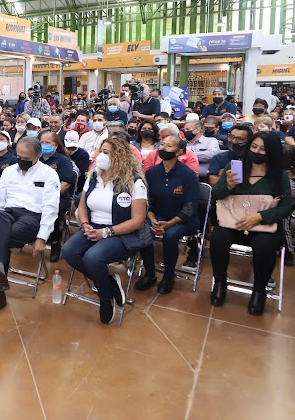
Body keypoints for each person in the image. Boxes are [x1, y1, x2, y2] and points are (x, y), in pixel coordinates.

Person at [61, 137, 151, 324]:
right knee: (68, 251)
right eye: (101, 151)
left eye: (106, 152)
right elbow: (83, 206)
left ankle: (105, 298)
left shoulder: (134, 182)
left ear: (119, 156)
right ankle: (110, 282)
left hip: (123, 233)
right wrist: (84, 223)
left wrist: (106, 232)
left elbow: (138, 220)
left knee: (92, 258)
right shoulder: (93, 177)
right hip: (94, 227)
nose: (100, 156)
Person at [0, 137, 60, 317]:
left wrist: (42, 237)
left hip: (32, 217)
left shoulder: (49, 174)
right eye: (18, 156)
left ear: (37, 156)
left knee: (2, 236)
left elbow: (51, 208)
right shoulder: (9, 172)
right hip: (9, 213)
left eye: (26, 159)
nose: (21, 161)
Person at [210, 132, 293, 315]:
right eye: (254, 147)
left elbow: (287, 206)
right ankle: (220, 282)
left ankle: (259, 290)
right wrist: (228, 186)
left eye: (263, 149)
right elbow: (216, 195)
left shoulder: (278, 175)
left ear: (271, 152)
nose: (256, 151)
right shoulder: (236, 167)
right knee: (218, 239)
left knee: (265, 245)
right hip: (234, 221)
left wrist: (260, 216)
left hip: (262, 224)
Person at [137, 135, 201, 294]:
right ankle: (150, 272)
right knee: (143, 231)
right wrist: (152, 220)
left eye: (169, 146)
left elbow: (190, 206)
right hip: (157, 216)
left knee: (170, 236)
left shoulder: (188, 175)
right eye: (162, 145)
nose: (163, 148)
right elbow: (147, 199)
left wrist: (170, 223)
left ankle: (168, 276)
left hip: (184, 219)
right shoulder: (152, 173)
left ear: (179, 152)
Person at [39, 129, 76, 261]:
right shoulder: (36, 158)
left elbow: (65, 183)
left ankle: (55, 242)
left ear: (55, 145)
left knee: (51, 210)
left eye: (47, 142)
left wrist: (49, 197)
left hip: (58, 196)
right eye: (42, 142)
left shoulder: (63, 160)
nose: (44, 145)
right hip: (37, 195)